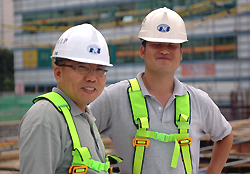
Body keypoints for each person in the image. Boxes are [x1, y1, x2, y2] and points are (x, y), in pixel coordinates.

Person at [90, 7, 233, 174]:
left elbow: (225, 135)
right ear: (143, 51)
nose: (164, 50)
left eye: (171, 45)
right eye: (156, 44)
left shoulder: (198, 100)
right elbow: (80, 134)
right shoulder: (114, 97)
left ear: (181, 54)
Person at [18, 24, 121, 174]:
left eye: (99, 69)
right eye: (81, 67)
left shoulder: (83, 115)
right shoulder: (45, 117)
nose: (92, 77)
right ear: (58, 73)